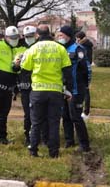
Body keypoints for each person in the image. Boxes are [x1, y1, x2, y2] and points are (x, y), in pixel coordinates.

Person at [21, 25, 73, 158]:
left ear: (37, 35)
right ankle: (53, 152)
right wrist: (68, 90)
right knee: (54, 122)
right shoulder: (60, 48)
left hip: (38, 90)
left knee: (36, 122)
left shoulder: (33, 48)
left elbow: (25, 70)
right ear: (50, 33)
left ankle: (33, 150)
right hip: (55, 91)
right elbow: (67, 71)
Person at [57, 26, 91, 152]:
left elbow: (85, 69)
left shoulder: (78, 49)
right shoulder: (59, 48)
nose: (60, 37)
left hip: (76, 89)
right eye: (58, 35)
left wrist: (85, 86)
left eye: (62, 35)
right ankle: (69, 141)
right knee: (65, 116)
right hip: (62, 88)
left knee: (75, 116)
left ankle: (84, 144)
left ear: (68, 35)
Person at [13, 25, 37, 146]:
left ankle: (40, 135)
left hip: (39, 84)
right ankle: (28, 136)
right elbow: (14, 68)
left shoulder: (40, 47)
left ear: (36, 35)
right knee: (28, 113)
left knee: (38, 112)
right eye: (27, 36)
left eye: (31, 36)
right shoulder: (19, 48)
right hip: (25, 85)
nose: (29, 38)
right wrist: (16, 65)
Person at [75, 30, 93, 118]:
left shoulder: (82, 47)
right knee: (86, 90)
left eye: (77, 39)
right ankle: (86, 110)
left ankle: (85, 111)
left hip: (83, 69)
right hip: (87, 68)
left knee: (85, 91)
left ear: (79, 38)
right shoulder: (88, 45)